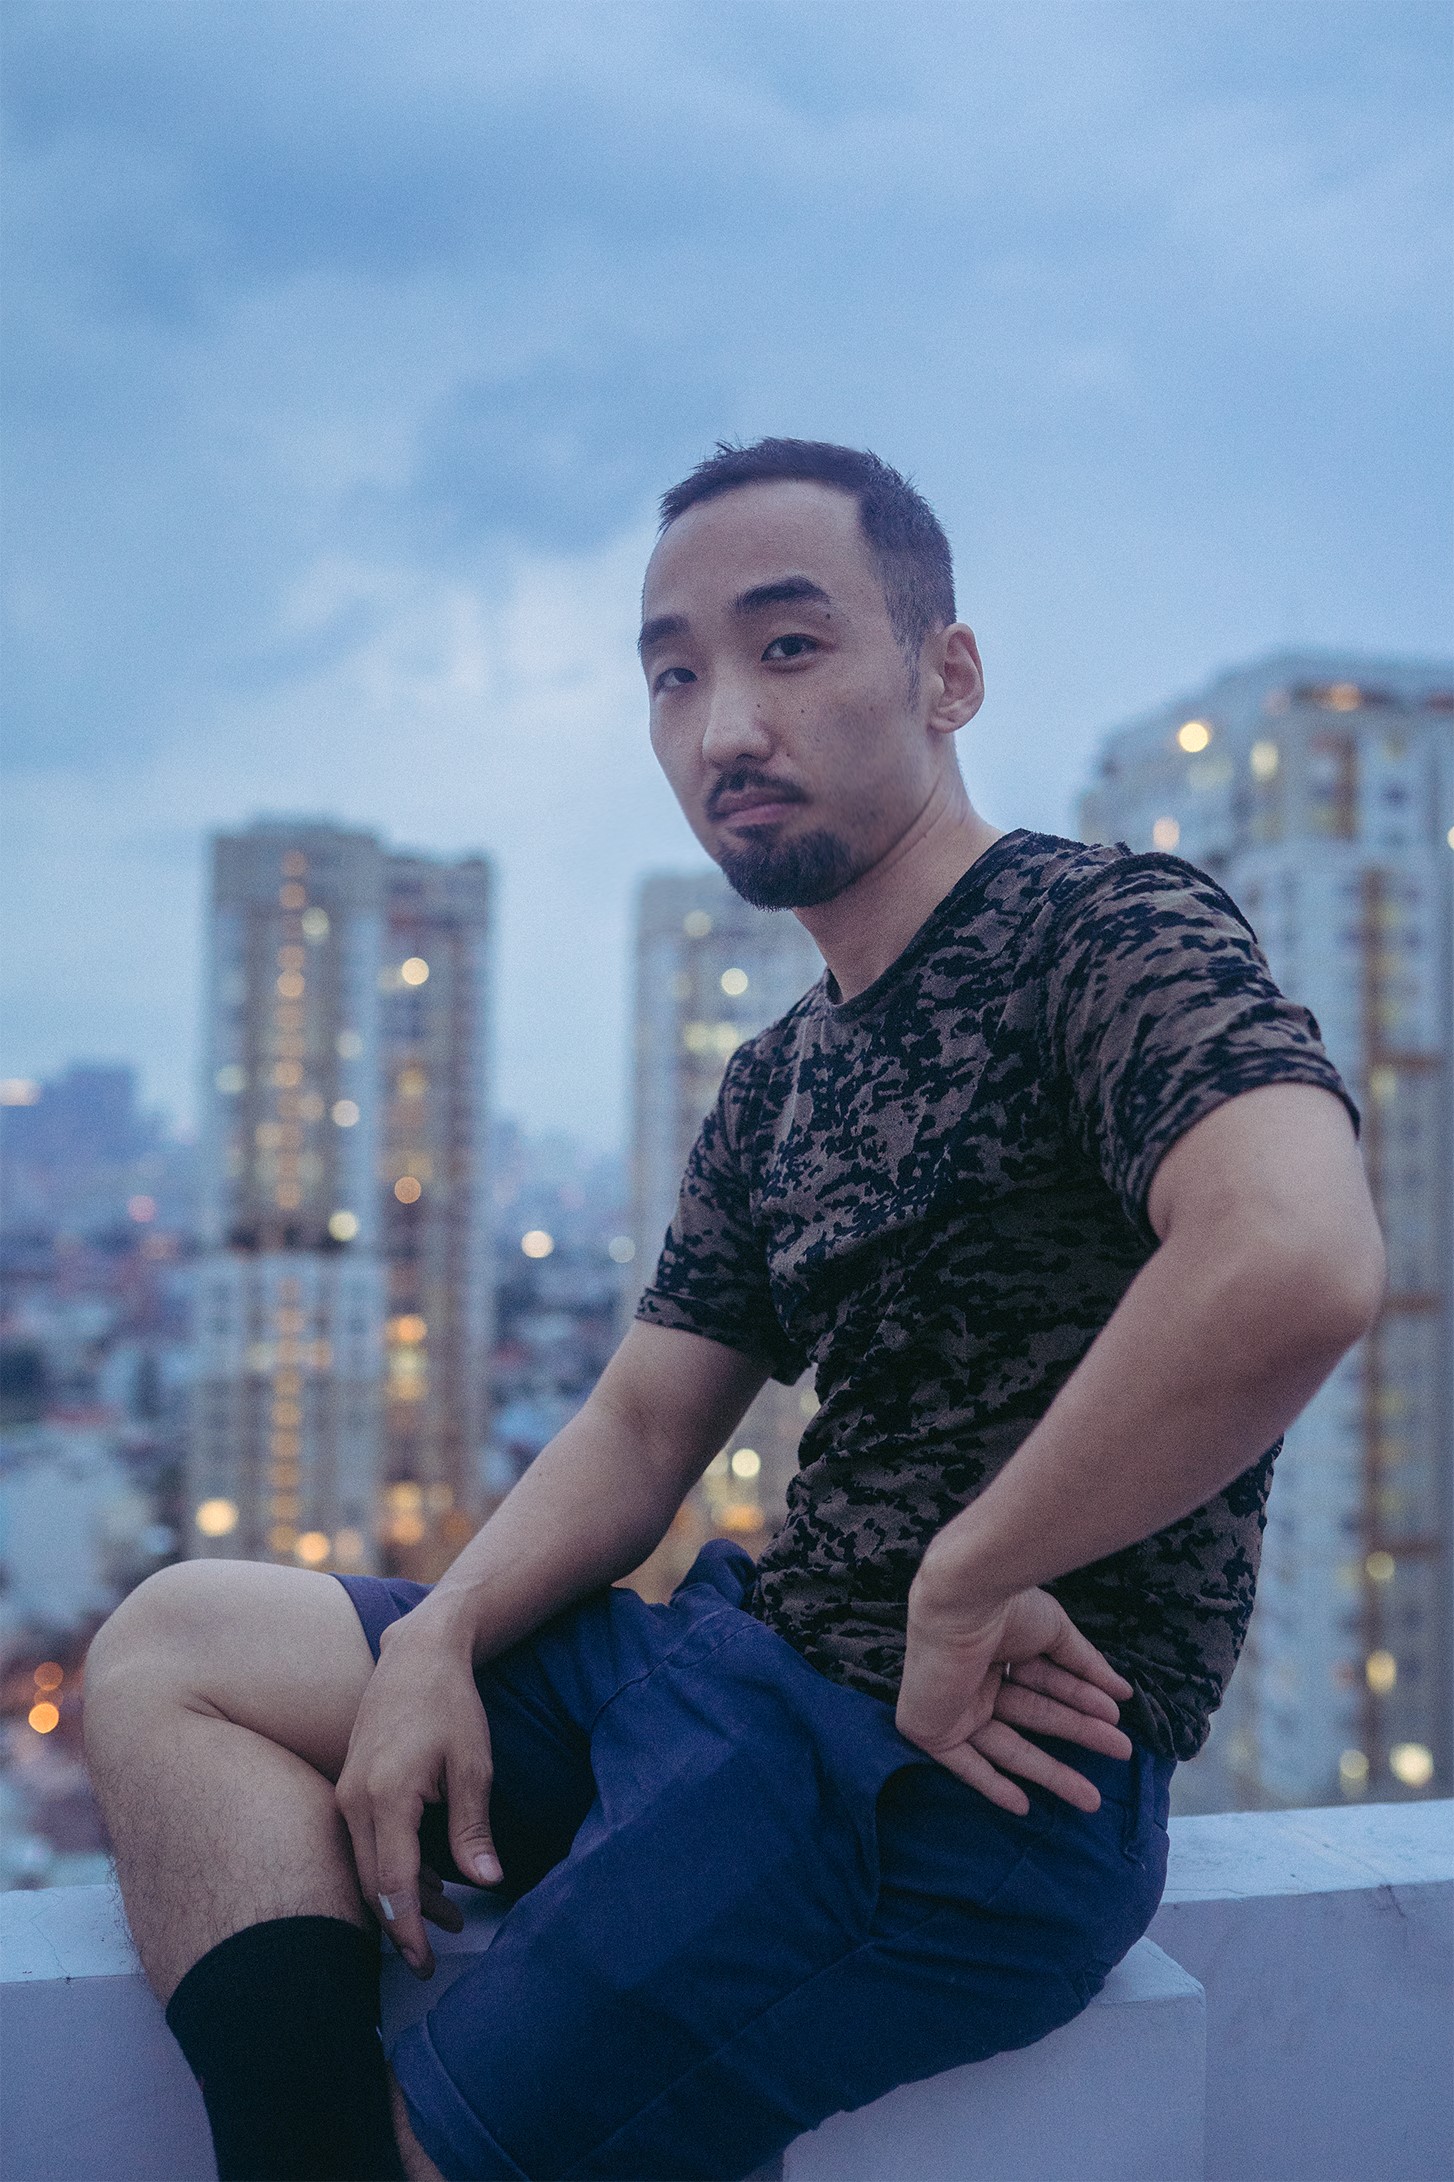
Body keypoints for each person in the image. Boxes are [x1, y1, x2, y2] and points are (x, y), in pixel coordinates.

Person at [84, 439, 1385, 2182]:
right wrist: (442, 1635)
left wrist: (970, 1575)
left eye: (787, 646)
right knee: (175, 1648)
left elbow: (1292, 1254)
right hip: (739, 1659)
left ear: (946, 674)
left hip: (940, 1784)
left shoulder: (1098, 930)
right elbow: (642, 1426)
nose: (722, 729)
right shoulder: (778, 1076)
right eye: (673, 675)